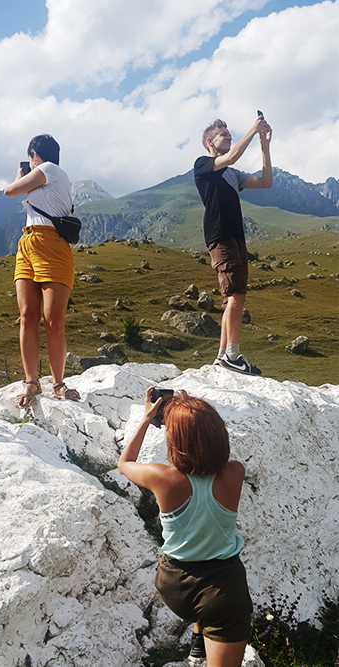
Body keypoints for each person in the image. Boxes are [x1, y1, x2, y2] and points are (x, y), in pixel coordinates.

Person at [118, 388, 252, 667]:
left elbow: (125, 462)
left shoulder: (163, 478)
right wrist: (194, 412)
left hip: (174, 585)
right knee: (221, 586)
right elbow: (210, 452)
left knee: (204, 592)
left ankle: (197, 641)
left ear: (174, 440)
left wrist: (147, 419)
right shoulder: (234, 473)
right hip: (221, 592)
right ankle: (204, 634)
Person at [4, 134, 80, 407]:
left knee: (52, 320)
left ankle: (58, 383)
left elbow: (9, 191)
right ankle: (31, 381)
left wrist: (18, 176)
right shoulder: (47, 177)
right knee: (27, 315)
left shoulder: (48, 170)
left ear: (34, 155)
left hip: (51, 245)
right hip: (28, 242)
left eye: (31, 157)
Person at [194, 115, 272, 375]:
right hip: (220, 235)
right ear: (210, 142)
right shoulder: (203, 164)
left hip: (236, 237)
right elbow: (231, 157)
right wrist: (253, 129)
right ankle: (233, 355)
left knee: (233, 296)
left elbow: (265, 182)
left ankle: (222, 356)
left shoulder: (232, 174)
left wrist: (264, 145)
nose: (228, 138)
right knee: (236, 294)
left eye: (230, 135)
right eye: (223, 136)